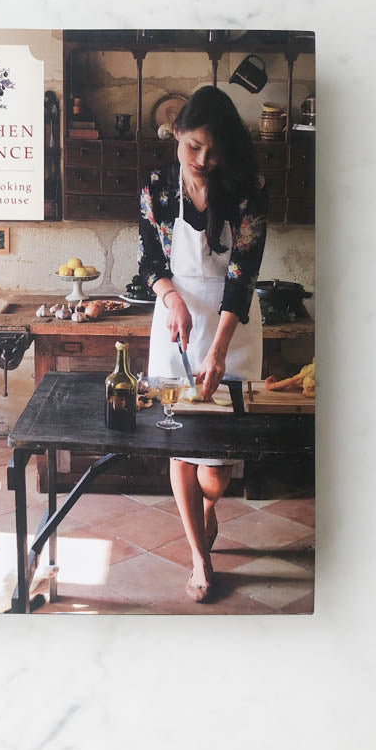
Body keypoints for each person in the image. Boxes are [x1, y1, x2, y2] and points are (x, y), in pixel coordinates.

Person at [139, 85, 268, 602]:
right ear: (176, 135)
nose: (202, 160)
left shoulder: (247, 189)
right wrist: (171, 300)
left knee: (216, 468)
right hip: (175, 323)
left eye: (213, 151)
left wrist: (217, 347)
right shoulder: (156, 187)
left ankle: (209, 506)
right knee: (181, 448)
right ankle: (199, 556)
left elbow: (243, 276)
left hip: (229, 328)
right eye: (193, 146)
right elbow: (150, 262)